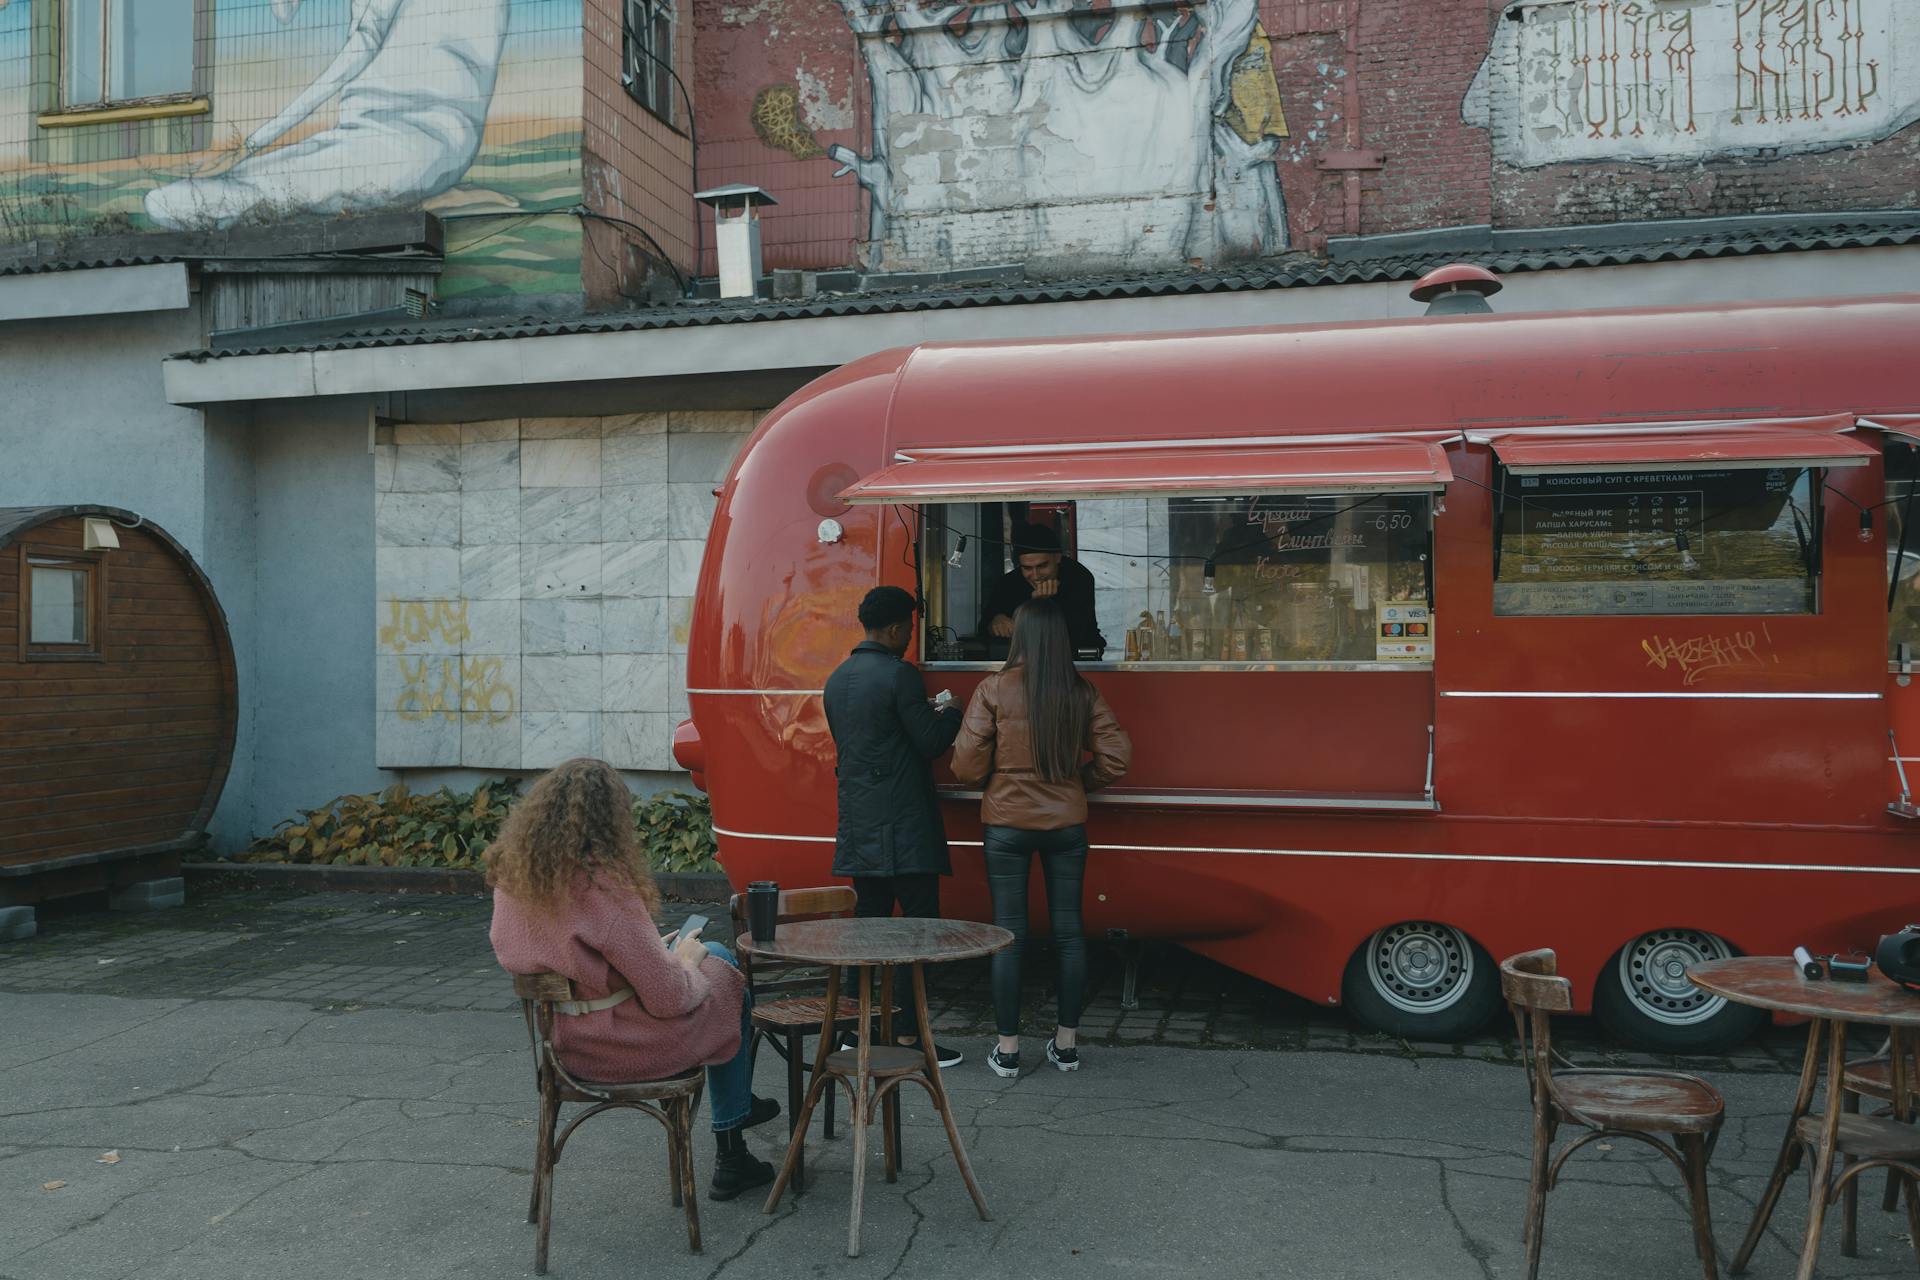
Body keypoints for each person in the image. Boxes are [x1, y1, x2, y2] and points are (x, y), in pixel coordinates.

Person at [488, 757, 781, 1201]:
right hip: (618, 1049)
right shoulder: (603, 888)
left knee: (706, 965)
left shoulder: (513, 882)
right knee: (721, 965)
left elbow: (561, 959)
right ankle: (732, 1139)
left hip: (561, 1048)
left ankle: (738, 1115)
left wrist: (646, 957)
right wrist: (682, 959)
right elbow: (669, 999)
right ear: (611, 819)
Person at [950, 597, 1131, 1077]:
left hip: (1006, 826)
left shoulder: (993, 688)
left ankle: (1007, 1050)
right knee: (1070, 934)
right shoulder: (1082, 691)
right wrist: (1075, 786)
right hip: (1066, 826)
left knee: (1009, 934)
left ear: (1020, 635)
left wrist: (1000, 779)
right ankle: (1066, 1045)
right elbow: (1116, 757)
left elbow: (965, 767)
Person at [823, 585, 968, 1067]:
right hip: (904, 824)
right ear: (891, 628)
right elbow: (928, 743)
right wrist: (950, 712)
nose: (910, 636)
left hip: (861, 824)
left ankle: (853, 1029)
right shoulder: (900, 676)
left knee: (868, 928)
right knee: (918, 931)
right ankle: (907, 1035)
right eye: (908, 627)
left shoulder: (836, 679)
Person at [980, 524, 1106, 654]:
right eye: (1027, 568)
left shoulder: (1078, 577)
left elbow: (1074, 633)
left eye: (1042, 566)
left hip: (1073, 659)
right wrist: (995, 622)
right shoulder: (1009, 582)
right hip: (1022, 660)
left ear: (1058, 557)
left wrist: (1038, 605)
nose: (1035, 576)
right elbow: (983, 628)